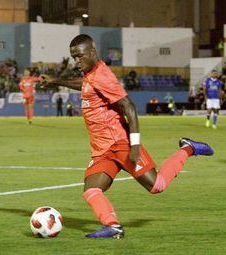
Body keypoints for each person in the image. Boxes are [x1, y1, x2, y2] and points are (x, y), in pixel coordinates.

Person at [41, 34, 214, 239]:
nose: (76, 61)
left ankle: (188, 148)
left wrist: (134, 145)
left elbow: (129, 107)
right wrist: (56, 81)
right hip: (103, 150)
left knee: (157, 185)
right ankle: (113, 226)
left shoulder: (102, 74)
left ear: (92, 53)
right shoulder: (91, 74)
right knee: (91, 190)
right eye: (73, 57)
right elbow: (86, 84)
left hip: (120, 143)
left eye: (79, 56)